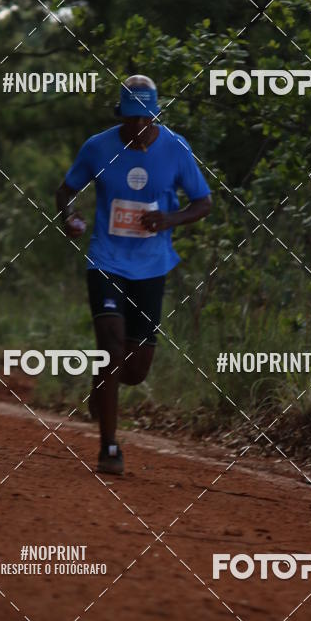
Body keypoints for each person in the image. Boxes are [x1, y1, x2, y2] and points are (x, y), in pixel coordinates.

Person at [55, 75, 211, 475]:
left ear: (155, 115)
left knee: (136, 369)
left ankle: (100, 383)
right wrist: (69, 217)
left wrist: (169, 218)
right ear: (120, 115)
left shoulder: (175, 149)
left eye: (145, 119)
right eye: (131, 119)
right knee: (109, 344)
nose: (138, 127)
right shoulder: (98, 147)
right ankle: (109, 448)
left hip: (152, 265)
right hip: (106, 260)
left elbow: (203, 202)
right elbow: (65, 191)